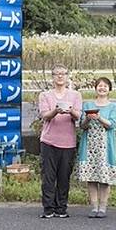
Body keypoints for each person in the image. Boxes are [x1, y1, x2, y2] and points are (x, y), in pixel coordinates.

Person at [38, 64, 82, 219]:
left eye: (63, 73)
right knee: (48, 177)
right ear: (52, 77)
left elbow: (78, 116)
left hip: (68, 142)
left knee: (64, 177)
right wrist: (56, 111)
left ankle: (61, 208)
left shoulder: (75, 95)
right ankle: (48, 208)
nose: (60, 76)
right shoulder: (45, 95)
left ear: (67, 76)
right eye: (57, 74)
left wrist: (71, 111)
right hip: (49, 141)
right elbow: (45, 116)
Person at [77, 77, 116, 218]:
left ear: (109, 89)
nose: (102, 88)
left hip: (105, 148)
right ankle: (94, 207)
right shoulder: (88, 104)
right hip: (89, 146)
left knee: (104, 178)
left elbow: (112, 125)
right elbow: (82, 126)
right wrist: (88, 118)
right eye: (99, 86)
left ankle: (103, 207)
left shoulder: (114, 106)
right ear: (95, 88)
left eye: (105, 86)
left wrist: (99, 117)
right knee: (91, 178)